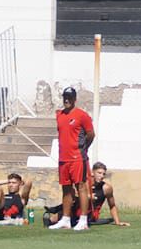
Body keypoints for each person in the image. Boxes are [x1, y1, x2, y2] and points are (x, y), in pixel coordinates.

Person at [48, 87, 94, 232]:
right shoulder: (59, 115)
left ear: (74, 99)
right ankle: (66, 219)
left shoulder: (82, 115)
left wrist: (83, 148)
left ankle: (83, 220)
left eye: (69, 97)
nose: (67, 100)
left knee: (81, 186)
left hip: (77, 157)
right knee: (66, 188)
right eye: (65, 97)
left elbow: (91, 134)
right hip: (63, 158)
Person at [45, 161, 128, 228]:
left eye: (103, 174)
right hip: (75, 210)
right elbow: (73, 196)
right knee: (51, 220)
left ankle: (56, 210)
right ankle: (56, 210)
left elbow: (112, 205)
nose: (101, 176)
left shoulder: (107, 188)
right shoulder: (84, 184)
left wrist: (117, 222)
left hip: (90, 215)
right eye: (99, 173)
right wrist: (87, 197)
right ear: (92, 172)